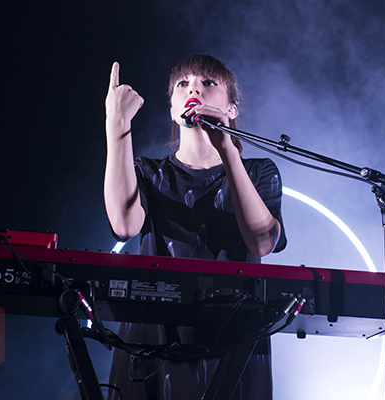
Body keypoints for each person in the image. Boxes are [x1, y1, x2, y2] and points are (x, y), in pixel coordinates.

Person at [103, 55, 287, 399]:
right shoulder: (148, 172)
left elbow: (262, 242)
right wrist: (117, 125)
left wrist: (227, 147)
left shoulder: (260, 172)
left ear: (231, 108)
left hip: (234, 336)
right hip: (153, 337)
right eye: (182, 84)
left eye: (208, 82)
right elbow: (124, 224)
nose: (194, 90)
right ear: (173, 110)